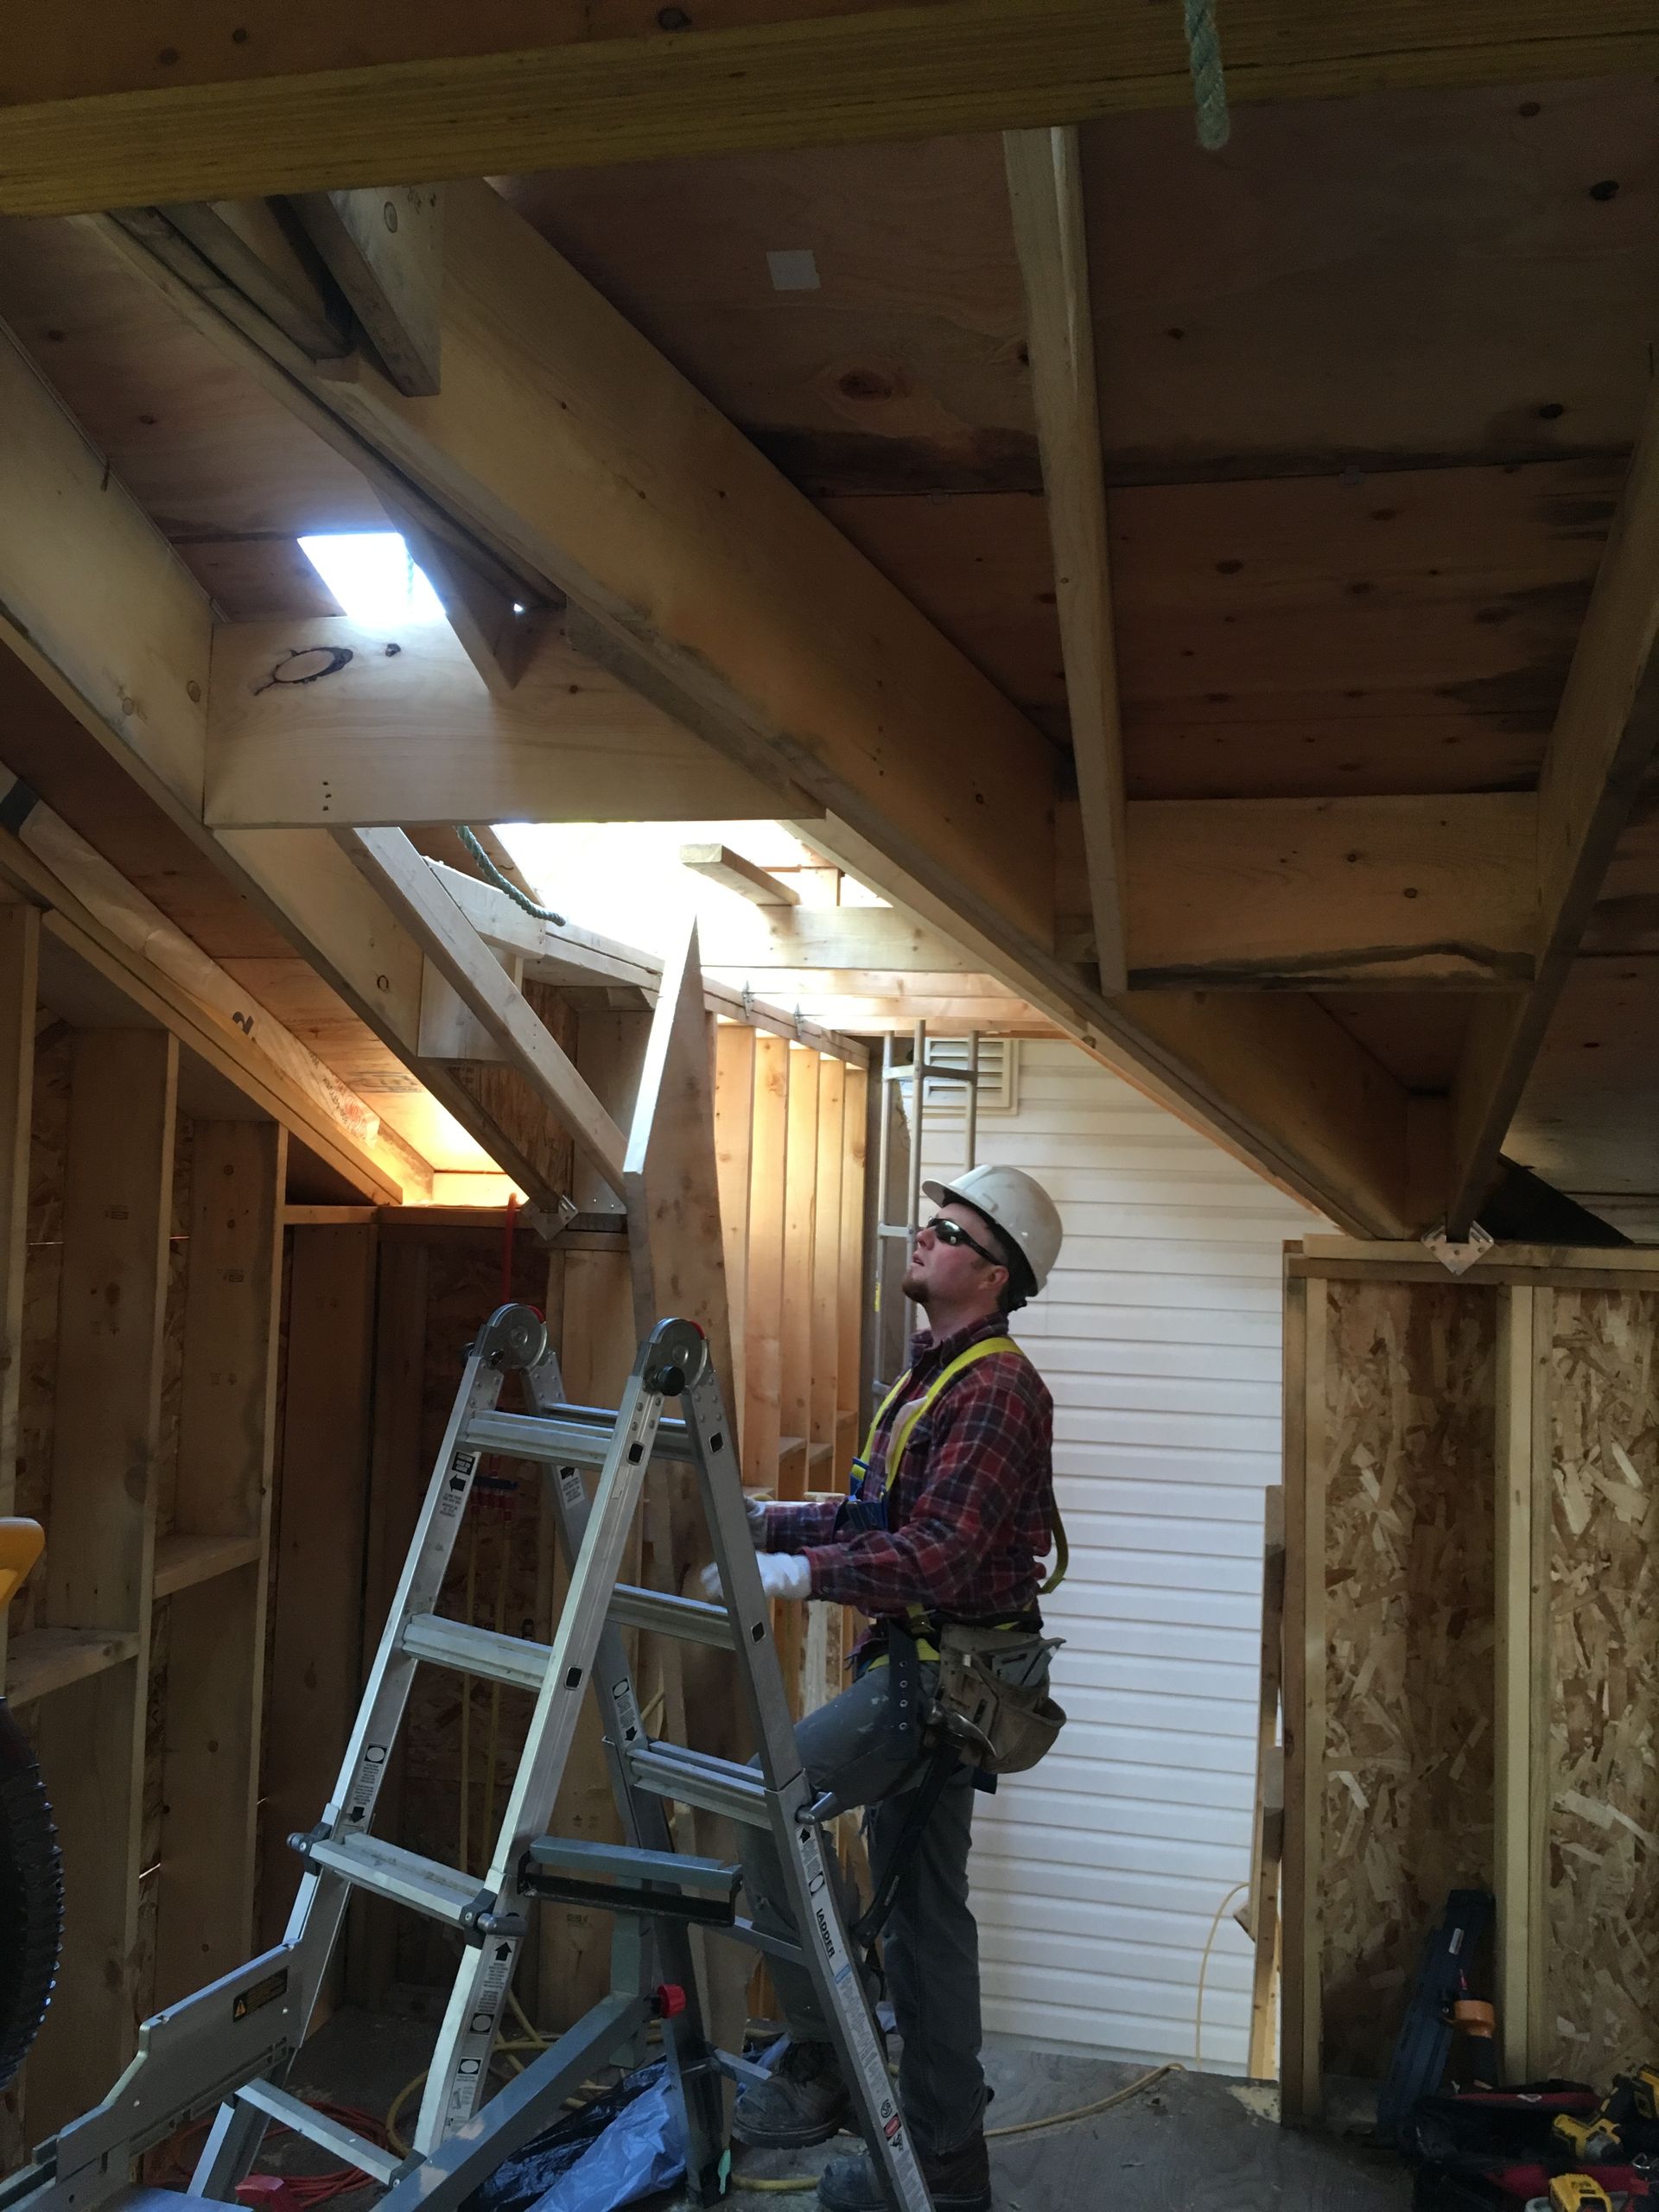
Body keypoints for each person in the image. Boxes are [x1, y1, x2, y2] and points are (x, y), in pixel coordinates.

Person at [702, 1164, 1065, 2212]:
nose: (924, 1233)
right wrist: (769, 1523)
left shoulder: (996, 1390)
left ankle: (823, 2062)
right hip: (927, 1668)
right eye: (931, 1218)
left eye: (947, 1228)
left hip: (944, 1680)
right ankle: (944, 2171)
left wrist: (805, 1575)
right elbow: (878, 1517)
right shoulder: (934, 1377)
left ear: (992, 1274)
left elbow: (944, 1556)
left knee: (772, 1805)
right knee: (928, 1920)